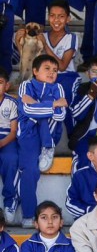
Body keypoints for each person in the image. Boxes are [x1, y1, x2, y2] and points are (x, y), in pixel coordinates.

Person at [17, 54, 68, 227]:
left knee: (45, 118)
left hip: (51, 133)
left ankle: (47, 147)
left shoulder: (58, 87)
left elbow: (60, 116)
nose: (52, 73)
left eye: (55, 70)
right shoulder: (26, 85)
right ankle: (28, 216)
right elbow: (26, 109)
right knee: (30, 170)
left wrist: (37, 104)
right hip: (28, 135)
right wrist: (52, 104)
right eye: (47, 69)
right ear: (35, 71)